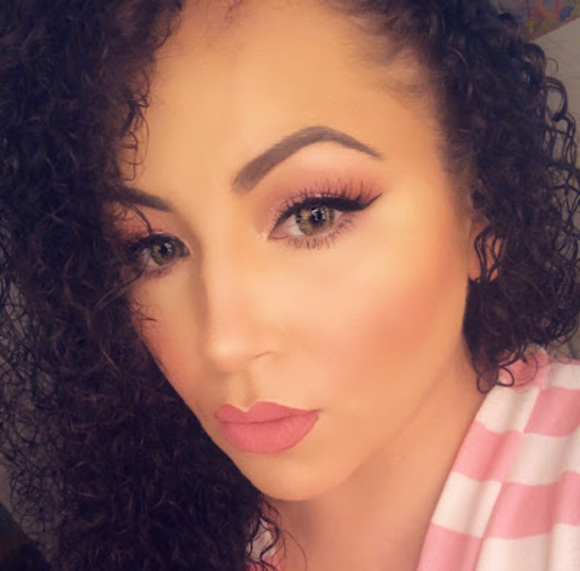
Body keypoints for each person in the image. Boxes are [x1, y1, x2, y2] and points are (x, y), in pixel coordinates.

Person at [1, 0, 579, 569]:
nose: (223, 343)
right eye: (158, 249)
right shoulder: (168, 523)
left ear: (481, 213)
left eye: (312, 216)